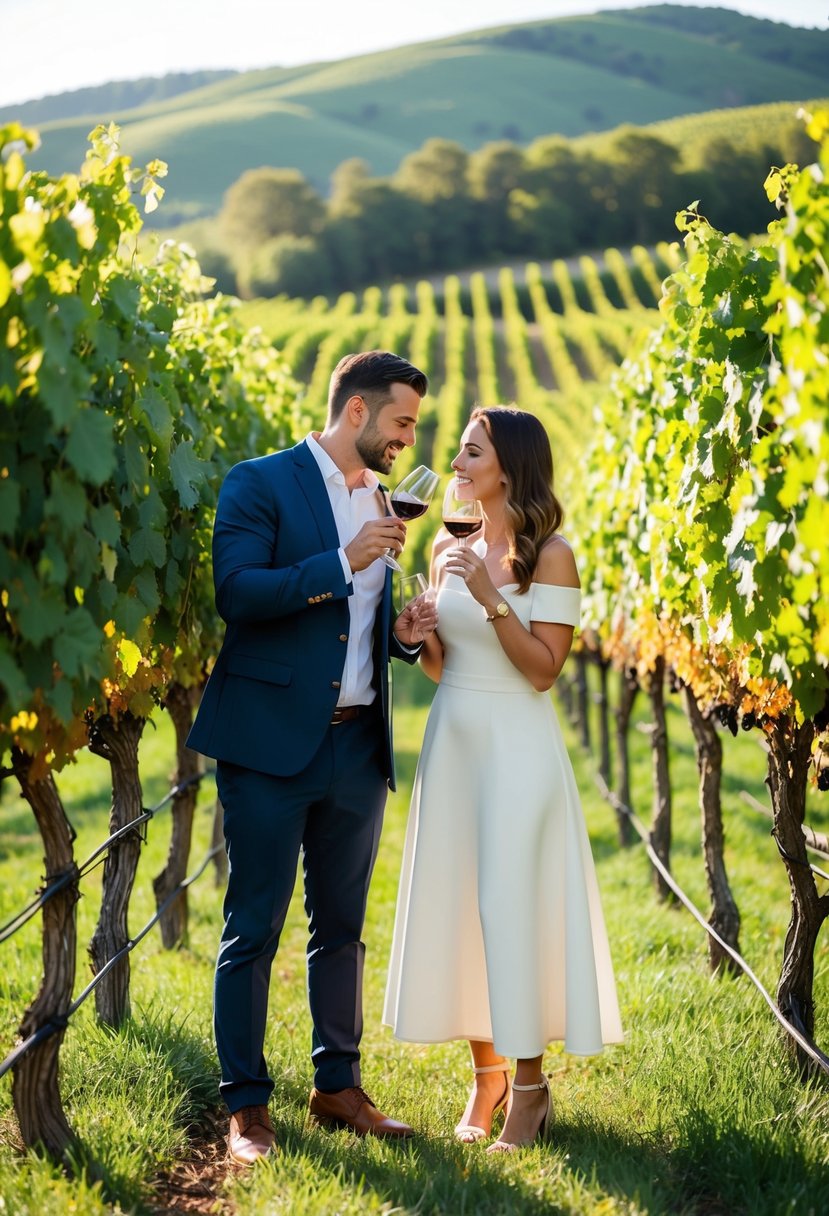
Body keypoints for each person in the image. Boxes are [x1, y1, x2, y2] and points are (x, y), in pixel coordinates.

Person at [187, 350, 433, 1165]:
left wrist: (397, 639)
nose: (406, 439)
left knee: (342, 929)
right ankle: (247, 1111)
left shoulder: (379, 500)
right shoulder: (258, 482)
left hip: (356, 747)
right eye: (400, 422)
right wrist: (341, 562)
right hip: (266, 746)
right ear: (356, 413)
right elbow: (239, 594)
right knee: (252, 926)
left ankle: (338, 1087)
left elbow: (356, 623)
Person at [383, 406, 623, 1152]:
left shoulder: (552, 555)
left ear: (508, 468)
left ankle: (529, 1088)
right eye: (457, 451)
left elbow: (544, 671)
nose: (455, 463)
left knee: (506, 906)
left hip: (517, 746)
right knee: (462, 907)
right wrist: (416, 635)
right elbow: (442, 668)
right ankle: (485, 1076)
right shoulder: (450, 544)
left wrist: (488, 602)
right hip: (453, 738)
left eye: (470, 452)